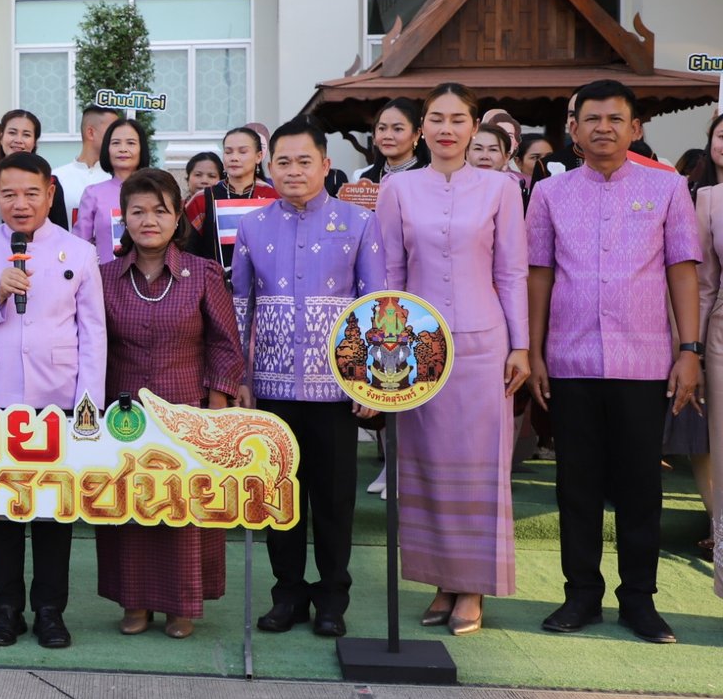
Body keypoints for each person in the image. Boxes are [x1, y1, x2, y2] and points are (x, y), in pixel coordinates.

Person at [527, 79, 701, 645]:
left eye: (615, 118)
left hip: (644, 362)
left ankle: (639, 600)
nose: (603, 128)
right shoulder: (549, 194)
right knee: (575, 485)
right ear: (573, 129)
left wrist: (689, 351)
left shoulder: (668, 187)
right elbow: (539, 275)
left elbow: (682, 271)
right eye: (592, 119)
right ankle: (581, 594)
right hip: (569, 359)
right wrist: (535, 350)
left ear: (635, 128)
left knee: (639, 487)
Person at [377, 84, 529, 637]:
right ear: (422, 127)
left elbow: (511, 270)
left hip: (485, 343)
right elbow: (389, 272)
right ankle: (441, 581)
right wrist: (385, 349)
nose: (447, 129)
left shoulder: (500, 188)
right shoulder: (398, 187)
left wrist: (520, 345)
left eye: (458, 119)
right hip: (416, 346)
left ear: (474, 126)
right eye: (436, 119)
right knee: (425, 463)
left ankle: (474, 587)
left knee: (480, 464)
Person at [0, 150, 105, 649]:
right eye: (9, 194)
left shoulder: (79, 251)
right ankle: (6, 609)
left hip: (58, 399)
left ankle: (51, 610)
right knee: (1, 509)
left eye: (32, 193)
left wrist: (89, 406)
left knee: (54, 510)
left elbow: (92, 335)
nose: (21, 204)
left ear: (50, 194)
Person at [232, 119, 385, 638]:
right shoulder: (252, 226)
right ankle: (288, 594)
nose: (293, 170)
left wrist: (371, 383)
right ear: (268, 166)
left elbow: (376, 306)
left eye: (304, 161)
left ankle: (333, 598)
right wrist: (241, 377)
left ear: (325, 164)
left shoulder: (360, 222)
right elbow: (240, 306)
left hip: (336, 390)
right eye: (283, 161)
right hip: (270, 388)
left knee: (335, 499)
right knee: (279, 497)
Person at [97, 168, 242, 638]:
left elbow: (225, 343)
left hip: (187, 411)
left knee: (183, 509)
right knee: (129, 505)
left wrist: (216, 407)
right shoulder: (104, 277)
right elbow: (92, 345)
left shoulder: (203, 273)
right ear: (124, 219)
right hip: (123, 415)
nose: (149, 220)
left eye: (160, 210)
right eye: (138, 211)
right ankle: (134, 602)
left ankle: (183, 605)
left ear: (178, 216)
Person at [186, 127, 279, 274]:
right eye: (228, 152)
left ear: (259, 156)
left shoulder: (274, 198)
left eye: (242, 152)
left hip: (266, 282)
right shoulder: (201, 199)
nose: (234, 158)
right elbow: (187, 248)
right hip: (211, 283)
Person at [73, 117, 149, 260]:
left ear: (141, 149)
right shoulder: (93, 193)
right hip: (105, 273)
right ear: (107, 149)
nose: (123, 149)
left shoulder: (155, 191)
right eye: (115, 143)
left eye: (131, 143)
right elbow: (79, 245)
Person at [0, 109, 69, 229]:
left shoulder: (49, 182)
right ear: (1, 137)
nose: (18, 140)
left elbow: (60, 231)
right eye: (12, 133)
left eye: (26, 135)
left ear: (35, 142)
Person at [53, 105, 120, 225]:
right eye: (112, 131)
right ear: (90, 133)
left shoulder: (119, 178)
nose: (117, 136)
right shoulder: (56, 177)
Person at [350, 98, 427, 183]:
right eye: (382, 128)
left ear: (416, 134)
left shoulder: (431, 177)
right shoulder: (361, 178)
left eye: (397, 129)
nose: (387, 136)